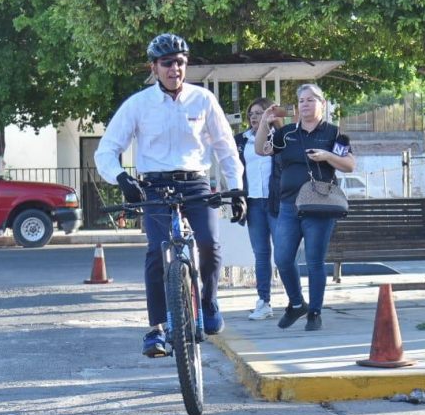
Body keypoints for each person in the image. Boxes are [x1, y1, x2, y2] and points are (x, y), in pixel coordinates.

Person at [94, 33, 246, 358]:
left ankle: (207, 300)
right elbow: (106, 150)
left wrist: (237, 189)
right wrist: (122, 179)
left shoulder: (202, 100)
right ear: (154, 67)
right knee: (156, 252)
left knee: (209, 243)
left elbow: (224, 147)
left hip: (195, 183)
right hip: (155, 185)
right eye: (167, 63)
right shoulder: (137, 104)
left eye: (179, 62)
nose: (174, 69)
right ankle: (156, 328)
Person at [254, 84, 355, 331]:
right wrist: (265, 123)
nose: (305, 104)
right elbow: (261, 149)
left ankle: (315, 313)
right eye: (301, 101)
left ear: (322, 103)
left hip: (319, 204)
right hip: (289, 204)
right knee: (283, 257)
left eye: (311, 100)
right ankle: (297, 303)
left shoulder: (334, 133)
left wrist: (327, 156)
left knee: (314, 260)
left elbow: (349, 165)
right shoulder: (287, 133)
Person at [234, 97, 283, 320]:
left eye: (260, 113)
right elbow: (233, 169)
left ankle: (296, 299)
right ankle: (264, 301)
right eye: (252, 114)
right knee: (261, 254)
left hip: (277, 202)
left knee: (283, 253)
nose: (255, 117)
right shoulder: (241, 140)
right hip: (254, 202)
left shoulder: (281, 137)